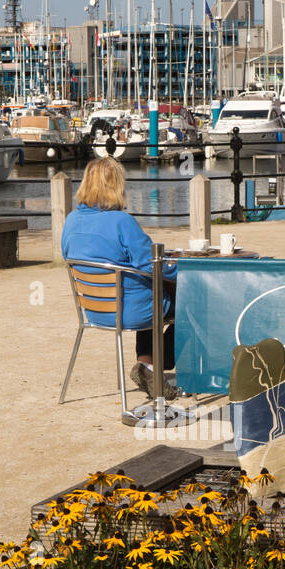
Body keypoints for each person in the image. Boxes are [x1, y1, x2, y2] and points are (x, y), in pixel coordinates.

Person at [61, 155, 179, 399]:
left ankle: (147, 365)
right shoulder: (122, 222)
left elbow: (67, 255)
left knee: (146, 290)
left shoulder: (71, 221)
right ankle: (155, 366)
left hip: (94, 309)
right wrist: (185, 269)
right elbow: (151, 263)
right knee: (189, 300)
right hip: (131, 309)